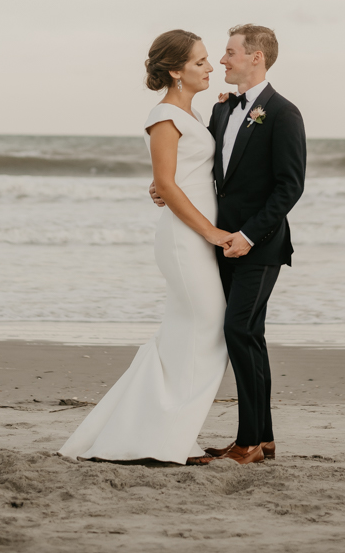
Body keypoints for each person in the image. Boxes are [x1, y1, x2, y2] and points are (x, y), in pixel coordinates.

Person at [59, 29, 231, 464]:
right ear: (176, 71)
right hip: (184, 238)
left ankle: (158, 434)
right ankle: (169, 437)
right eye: (200, 61)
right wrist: (210, 232)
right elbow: (168, 185)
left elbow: (173, 179)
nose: (210, 67)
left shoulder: (189, 115)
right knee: (206, 330)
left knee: (186, 333)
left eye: (209, 59)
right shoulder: (163, 115)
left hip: (194, 234)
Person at [151, 24, 306, 464]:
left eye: (230, 52)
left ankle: (248, 443)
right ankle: (263, 439)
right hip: (219, 243)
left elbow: (289, 186)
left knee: (238, 330)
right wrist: (163, 185)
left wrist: (250, 235)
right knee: (248, 333)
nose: (222, 61)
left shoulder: (283, 113)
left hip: (261, 244)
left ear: (256, 57)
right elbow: (199, 165)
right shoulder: (221, 112)